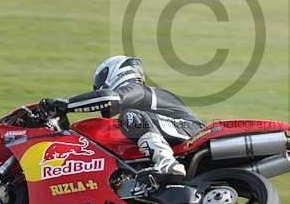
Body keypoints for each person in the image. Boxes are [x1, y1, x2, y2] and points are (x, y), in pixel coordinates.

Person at [38, 56, 203, 178]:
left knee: (130, 117)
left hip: (192, 130)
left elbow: (109, 97)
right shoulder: (142, 103)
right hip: (182, 133)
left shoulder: (136, 89)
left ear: (116, 73)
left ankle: (167, 164)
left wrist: (66, 104)